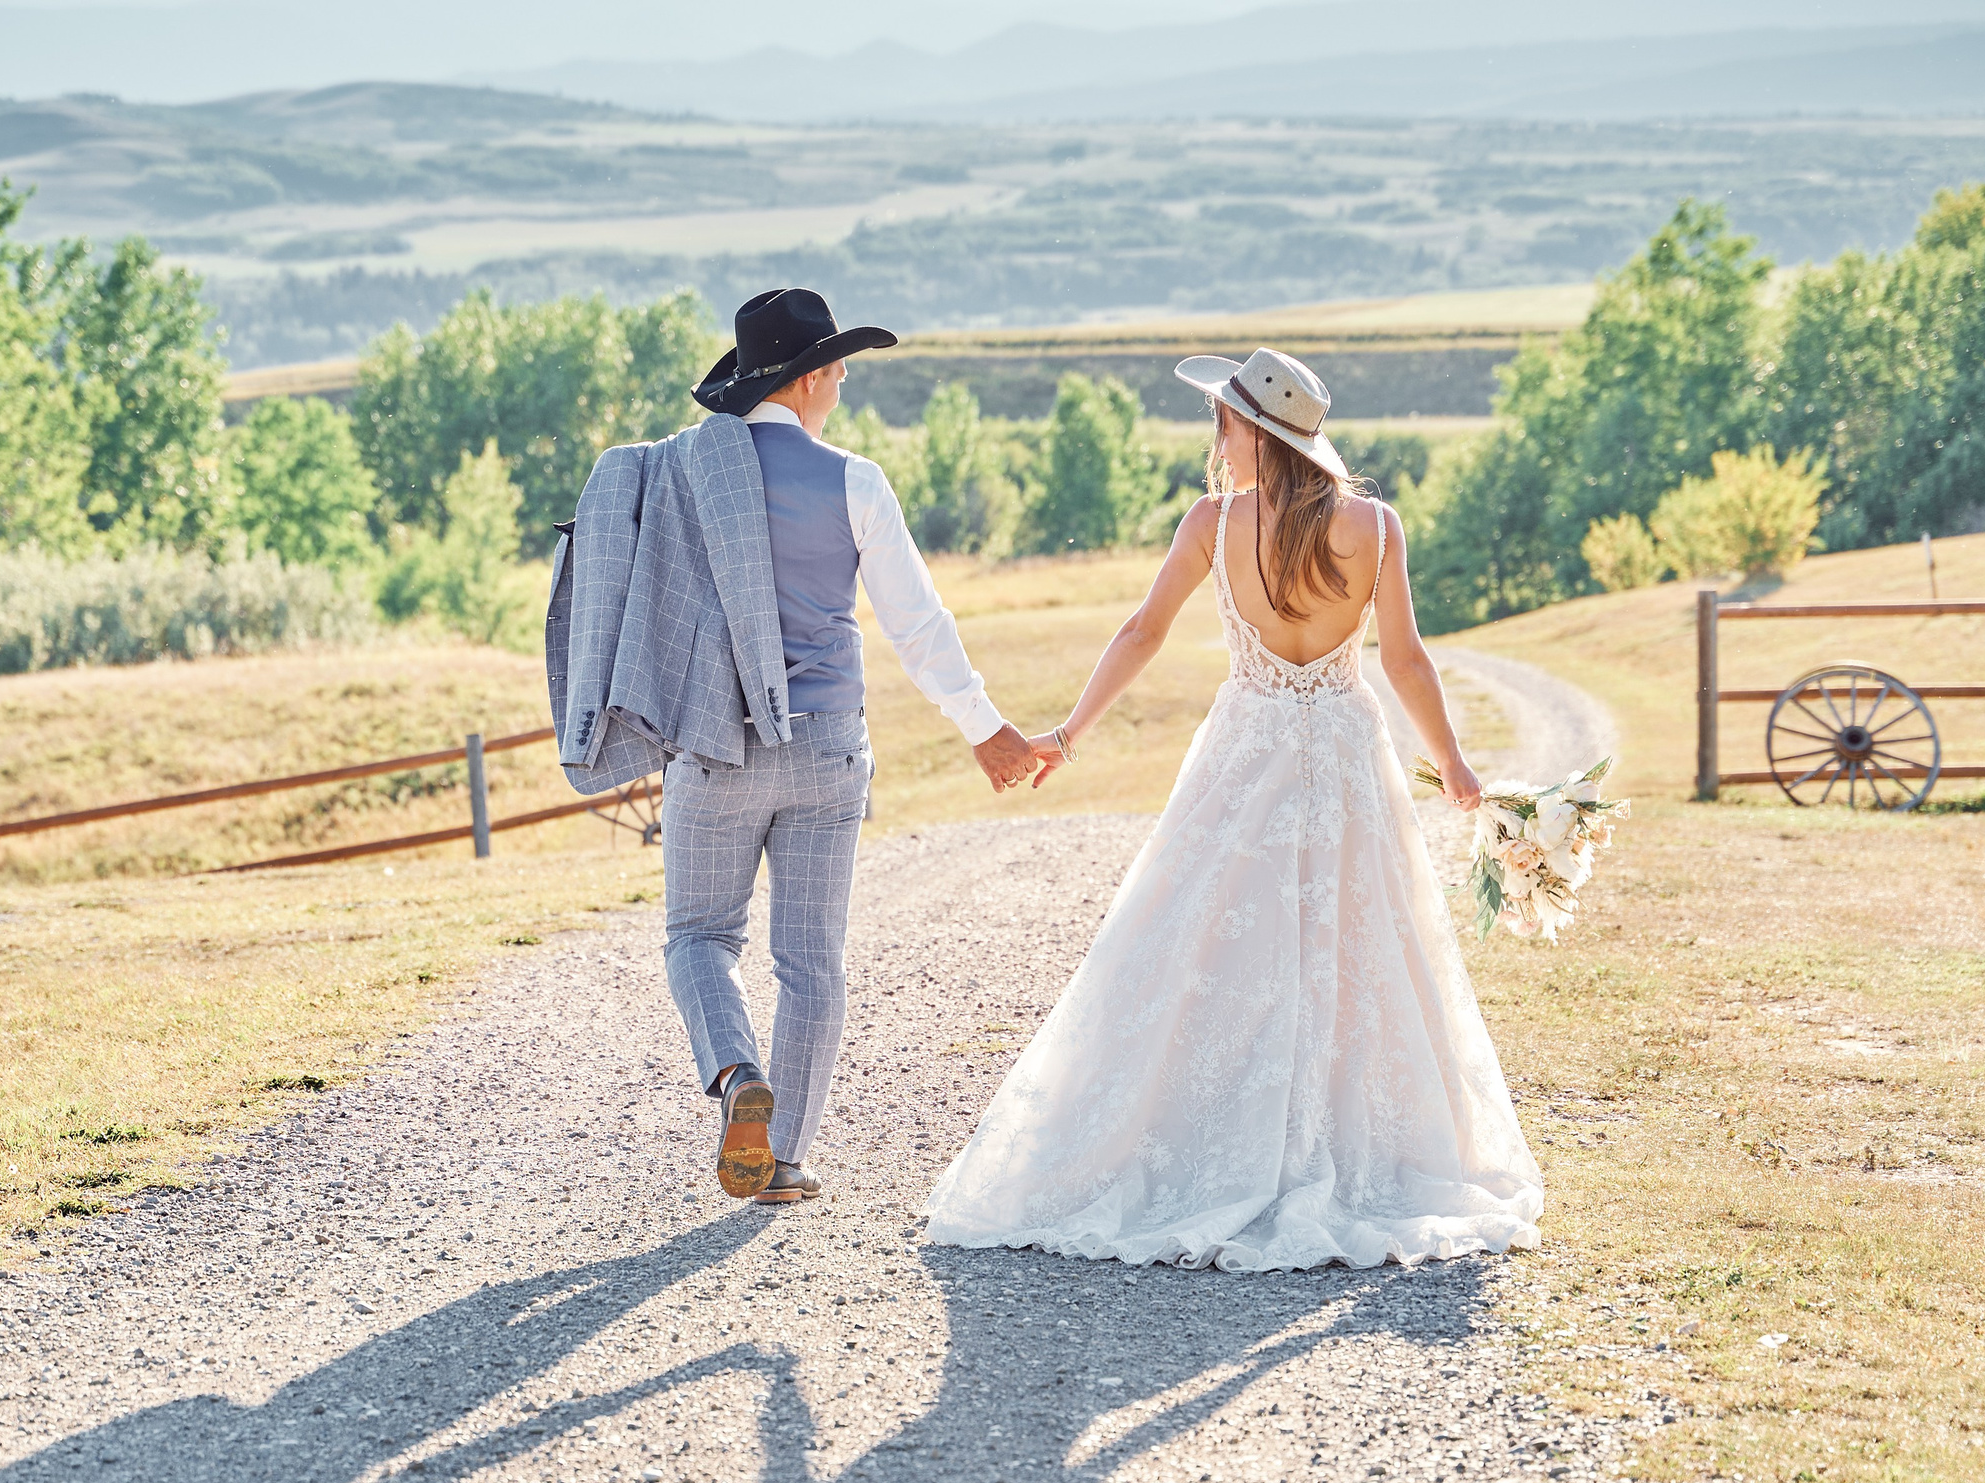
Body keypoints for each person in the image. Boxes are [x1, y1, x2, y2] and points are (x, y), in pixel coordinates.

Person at [923, 348, 1543, 1272]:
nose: (1217, 438)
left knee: (1208, 938)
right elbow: (1407, 659)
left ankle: (1213, 1133)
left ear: (1251, 431)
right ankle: (1341, 1139)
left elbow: (1142, 631)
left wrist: (1070, 732)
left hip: (1245, 751)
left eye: (1223, 420)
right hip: (1342, 753)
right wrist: (1452, 763)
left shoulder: (1214, 524)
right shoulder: (1374, 525)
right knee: (1355, 944)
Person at [549, 288, 1040, 1206]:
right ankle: (782, 1158)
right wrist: (986, 729)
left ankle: (738, 1080)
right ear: (811, 378)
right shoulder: (855, 480)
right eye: (841, 370)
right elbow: (916, 625)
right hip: (827, 748)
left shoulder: (677, 474)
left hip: (713, 743)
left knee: (700, 937)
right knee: (810, 962)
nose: (845, 384)